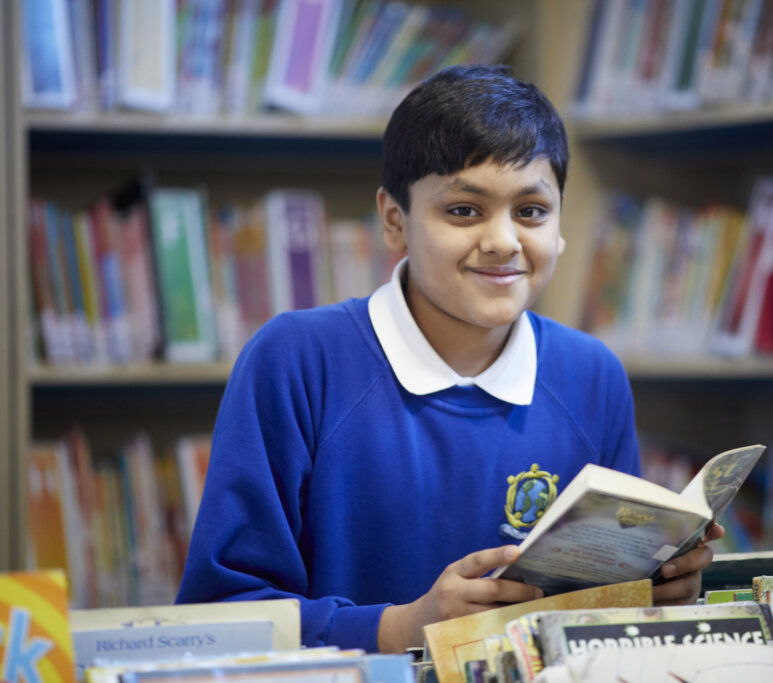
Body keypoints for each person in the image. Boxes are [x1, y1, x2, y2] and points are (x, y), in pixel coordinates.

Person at [176, 64, 723, 654]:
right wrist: (401, 630)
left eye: (532, 211)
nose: (503, 241)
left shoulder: (592, 375)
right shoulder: (295, 360)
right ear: (394, 220)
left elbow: (596, 614)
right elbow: (216, 618)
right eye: (464, 210)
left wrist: (651, 592)